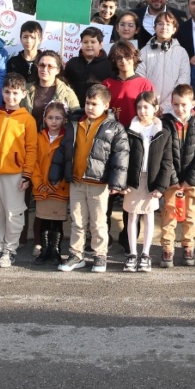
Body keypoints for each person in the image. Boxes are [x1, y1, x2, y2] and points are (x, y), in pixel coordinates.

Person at [52, 83, 129, 274]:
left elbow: (121, 155)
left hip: (99, 183)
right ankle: (76, 255)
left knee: (98, 222)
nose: (89, 107)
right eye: (87, 103)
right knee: (77, 220)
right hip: (77, 181)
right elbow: (63, 150)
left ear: (106, 105)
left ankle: (99, 255)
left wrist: (117, 182)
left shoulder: (115, 128)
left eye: (94, 104)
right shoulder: (75, 123)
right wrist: (56, 173)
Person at [0, 73, 38, 268]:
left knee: (13, 213)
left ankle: (10, 249)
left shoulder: (27, 120)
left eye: (15, 93)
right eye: (7, 92)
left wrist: (27, 174)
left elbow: (31, 149)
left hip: (14, 174)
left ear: (23, 94)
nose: (10, 97)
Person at [157, 84, 195, 268]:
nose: (180, 109)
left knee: (190, 215)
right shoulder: (164, 124)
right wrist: (173, 179)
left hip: (191, 181)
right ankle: (167, 248)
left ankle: (188, 246)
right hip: (171, 180)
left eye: (184, 105)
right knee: (169, 214)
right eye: (176, 104)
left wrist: (190, 180)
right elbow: (165, 154)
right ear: (171, 103)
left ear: (192, 104)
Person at [120, 91, 170, 273]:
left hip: (152, 180)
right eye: (139, 107)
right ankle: (132, 254)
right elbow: (122, 157)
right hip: (133, 180)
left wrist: (161, 186)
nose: (142, 111)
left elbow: (167, 161)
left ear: (155, 108)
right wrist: (122, 182)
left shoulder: (163, 132)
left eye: (146, 107)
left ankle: (146, 254)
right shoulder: (129, 129)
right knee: (132, 216)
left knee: (149, 216)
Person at [30, 101, 71, 265]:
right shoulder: (39, 137)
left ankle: (56, 251)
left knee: (57, 222)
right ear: (45, 119)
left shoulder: (67, 138)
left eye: (58, 118)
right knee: (44, 220)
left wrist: (59, 183)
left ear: (64, 119)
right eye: (50, 118)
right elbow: (34, 163)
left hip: (59, 188)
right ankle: (44, 250)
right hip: (42, 187)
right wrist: (39, 183)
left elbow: (68, 163)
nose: (54, 121)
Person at [137, 12, 190, 115]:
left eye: (168, 24)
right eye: (160, 24)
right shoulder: (144, 51)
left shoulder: (181, 52)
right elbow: (140, 79)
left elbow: (183, 81)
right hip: (149, 109)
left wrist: (164, 106)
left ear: (174, 29)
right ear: (155, 27)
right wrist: (152, 105)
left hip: (173, 109)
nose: (164, 27)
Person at [103, 41, 154, 128]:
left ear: (134, 57)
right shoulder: (107, 84)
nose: (123, 61)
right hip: (113, 132)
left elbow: (152, 113)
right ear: (114, 60)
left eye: (127, 56)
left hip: (138, 132)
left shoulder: (145, 84)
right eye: (119, 58)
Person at [24, 51, 79, 131]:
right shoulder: (25, 90)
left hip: (56, 141)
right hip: (27, 138)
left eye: (50, 66)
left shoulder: (67, 93)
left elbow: (77, 118)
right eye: (41, 65)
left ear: (58, 70)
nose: (45, 69)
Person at [63, 26, 113, 104]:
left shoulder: (109, 65)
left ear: (100, 44)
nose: (89, 45)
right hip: (74, 109)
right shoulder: (72, 63)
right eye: (85, 42)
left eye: (93, 42)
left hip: (97, 109)